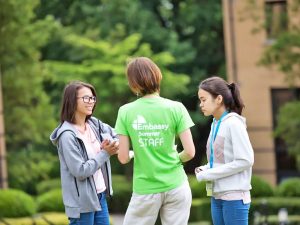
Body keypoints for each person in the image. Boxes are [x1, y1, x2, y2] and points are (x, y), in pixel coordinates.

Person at [115, 57, 196, 225]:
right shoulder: (176, 108)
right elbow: (190, 152)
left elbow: (122, 158)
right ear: (157, 76)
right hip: (177, 185)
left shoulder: (125, 111)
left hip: (145, 190)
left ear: (133, 83)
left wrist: (133, 153)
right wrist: (174, 159)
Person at [50, 81, 118, 225]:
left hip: (100, 196)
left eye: (93, 98)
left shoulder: (94, 124)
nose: (91, 102)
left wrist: (112, 143)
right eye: (86, 98)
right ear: (72, 101)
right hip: (82, 203)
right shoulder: (67, 135)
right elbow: (80, 170)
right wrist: (105, 153)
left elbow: (117, 134)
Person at [195, 76, 254, 225]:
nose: (201, 105)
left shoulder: (234, 123)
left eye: (203, 100)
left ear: (219, 99)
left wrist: (209, 173)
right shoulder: (215, 123)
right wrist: (205, 168)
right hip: (217, 195)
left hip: (234, 196)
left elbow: (246, 160)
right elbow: (221, 160)